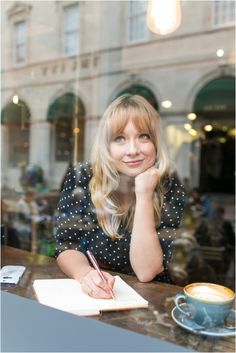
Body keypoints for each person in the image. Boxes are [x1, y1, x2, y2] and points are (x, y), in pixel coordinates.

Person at [55, 95, 185, 299]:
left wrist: (144, 195)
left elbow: (146, 271)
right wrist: (86, 275)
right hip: (96, 297)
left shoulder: (169, 185)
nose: (132, 150)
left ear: (156, 142)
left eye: (143, 136)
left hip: (150, 302)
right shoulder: (83, 177)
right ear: (106, 146)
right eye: (119, 138)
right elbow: (66, 246)